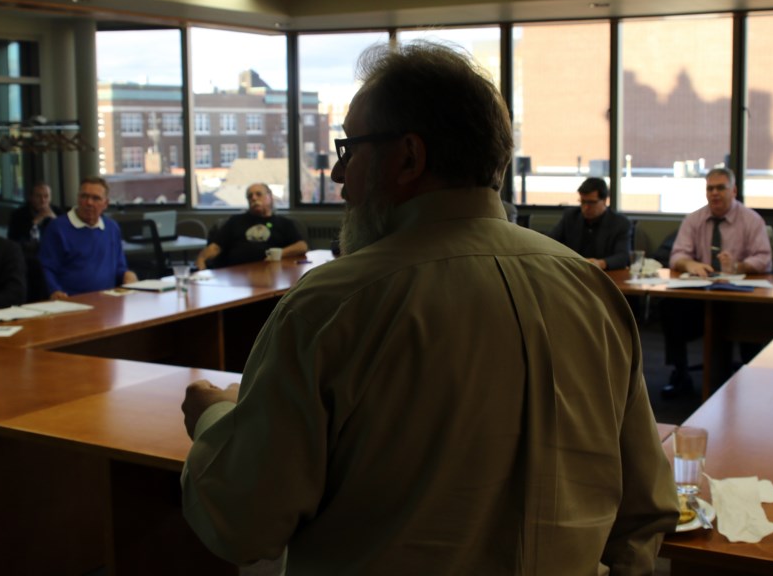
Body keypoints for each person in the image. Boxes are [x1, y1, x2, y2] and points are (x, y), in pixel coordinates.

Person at [180, 41, 677, 574]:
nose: (337, 176)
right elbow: (645, 510)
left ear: (409, 157)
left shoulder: (330, 306)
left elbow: (242, 523)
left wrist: (213, 417)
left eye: (349, 151)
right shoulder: (590, 292)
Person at [660, 167, 772, 398]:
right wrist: (690, 265)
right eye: (710, 188)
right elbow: (677, 255)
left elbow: (764, 258)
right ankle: (680, 374)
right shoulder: (695, 219)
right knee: (669, 308)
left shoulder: (752, 220)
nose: (715, 193)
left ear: (733, 190)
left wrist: (739, 266)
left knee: (752, 324)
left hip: (742, 296)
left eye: (720, 188)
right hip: (703, 294)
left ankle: (753, 381)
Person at [39, 177, 137, 299]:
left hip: (108, 301)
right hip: (70, 302)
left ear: (105, 204)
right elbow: (47, 268)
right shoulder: (57, 228)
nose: (89, 202)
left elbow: (119, 266)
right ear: (78, 198)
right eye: (84, 197)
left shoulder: (112, 228)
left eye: (96, 198)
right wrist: (54, 290)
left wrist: (128, 275)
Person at [195, 183, 308, 270]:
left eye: (258, 194)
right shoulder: (235, 221)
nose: (254, 198)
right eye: (250, 196)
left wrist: (280, 253)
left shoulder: (284, 223)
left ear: (270, 197)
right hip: (236, 274)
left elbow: (301, 246)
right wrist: (201, 260)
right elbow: (215, 247)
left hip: (271, 272)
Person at [548, 177, 632, 270]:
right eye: (583, 202)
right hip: (574, 271)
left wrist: (601, 263)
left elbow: (623, 257)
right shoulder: (571, 217)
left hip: (605, 275)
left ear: (604, 200)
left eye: (591, 202)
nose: (586, 207)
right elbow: (550, 242)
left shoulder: (620, 223)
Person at [7, 182, 61, 249]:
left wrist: (55, 220)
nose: (43, 200)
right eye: (38, 196)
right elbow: (13, 240)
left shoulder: (58, 212)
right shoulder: (18, 214)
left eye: (46, 196)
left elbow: (68, 235)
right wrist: (36, 221)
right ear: (31, 197)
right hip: (29, 253)